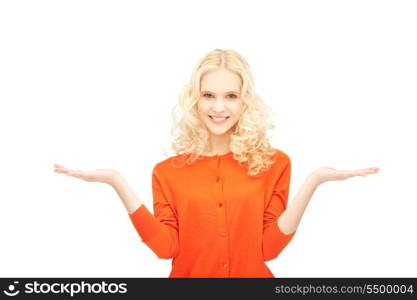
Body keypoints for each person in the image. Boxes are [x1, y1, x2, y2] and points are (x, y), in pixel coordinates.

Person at [53, 49, 379, 278]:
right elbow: (166, 249)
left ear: (244, 101)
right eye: (208, 95)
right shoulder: (167, 172)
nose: (218, 107)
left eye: (230, 96)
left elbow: (268, 249)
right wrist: (116, 181)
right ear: (195, 100)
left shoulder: (274, 163)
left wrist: (315, 181)